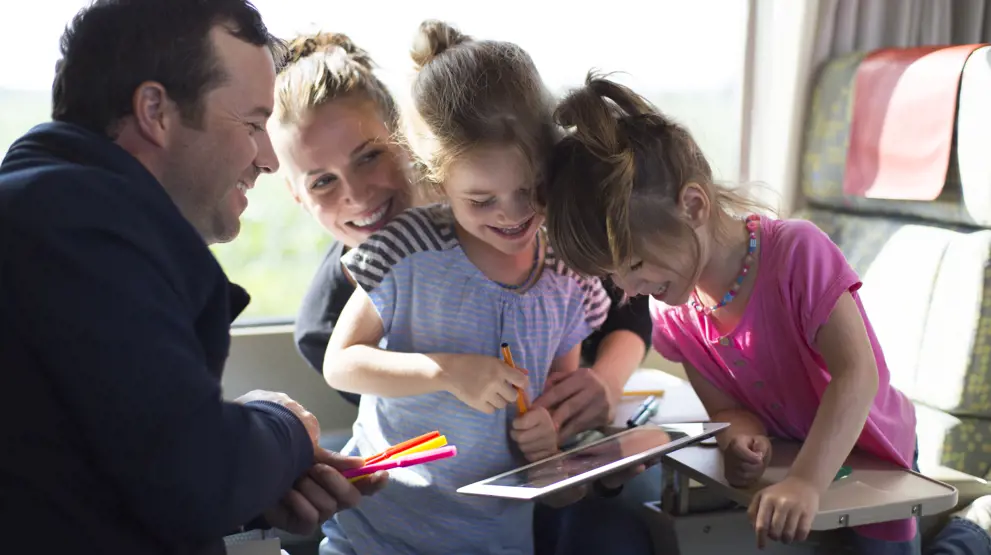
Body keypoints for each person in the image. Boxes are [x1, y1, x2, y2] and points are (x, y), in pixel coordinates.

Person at [538, 72, 991, 555]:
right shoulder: (675, 317)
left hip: (871, 453)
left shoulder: (797, 253)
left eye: (632, 265)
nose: (627, 289)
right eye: (614, 278)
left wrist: (807, 482)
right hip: (791, 461)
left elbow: (856, 375)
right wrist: (741, 442)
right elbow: (730, 413)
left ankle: (975, 530)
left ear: (692, 206)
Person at [0, 1, 384, 554]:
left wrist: (257, 482)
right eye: (252, 123)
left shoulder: (56, 216)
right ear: (155, 110)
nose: (269, 159)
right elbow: (193, 470)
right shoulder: (75, 231)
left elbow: (92, 476)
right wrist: (284, 428)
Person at [271, 30, 657, 554]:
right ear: (439, 181)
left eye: (532, 191)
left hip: (498, 540)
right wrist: (446, 370)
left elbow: (556, 409)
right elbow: (343, 363)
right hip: (377, 538)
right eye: (481, 201)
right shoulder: (402, 251)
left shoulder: (570, 278)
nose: (513, 213)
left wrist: (553, 432)